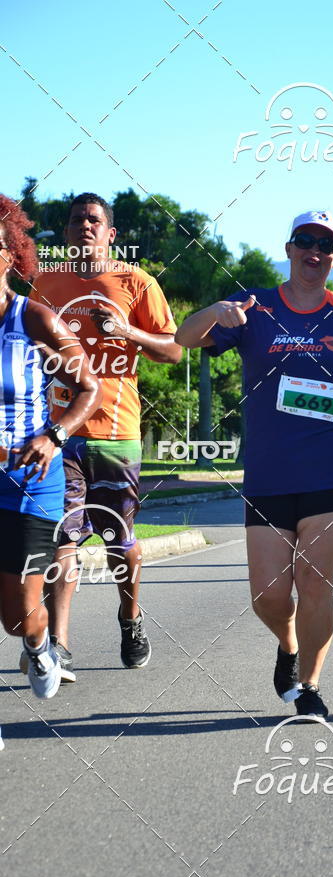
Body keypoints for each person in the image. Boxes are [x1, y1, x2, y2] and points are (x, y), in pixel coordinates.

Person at [176, 211, 333, 719]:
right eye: (305, 241)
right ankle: (287, 644)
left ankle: (310, 686)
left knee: (315, 583)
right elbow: (184, 337)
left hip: (329, 471)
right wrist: (218, 310)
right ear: (289, 248)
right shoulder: (255, 308)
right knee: (269, 597)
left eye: (326, 244)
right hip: (269, 475)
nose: (314, 250)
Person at [26, 193, 181, 681]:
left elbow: (174, 351)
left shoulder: (137, 281)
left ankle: (130, 618)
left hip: (118, 433)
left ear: (111, 233)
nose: (85, 226)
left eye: (95, 220)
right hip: (60, 430)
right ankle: (60, 645)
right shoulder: (45, 283)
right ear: (67, 232)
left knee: (118, 539)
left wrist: (128, 333)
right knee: (62, 539)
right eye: (77, 221)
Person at [0, 196, 101, 748]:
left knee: (19, 616)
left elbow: (90, 387)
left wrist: (54, 435)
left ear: (11, 255)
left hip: (29, 478)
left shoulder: (33, 317)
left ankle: (38, 647)